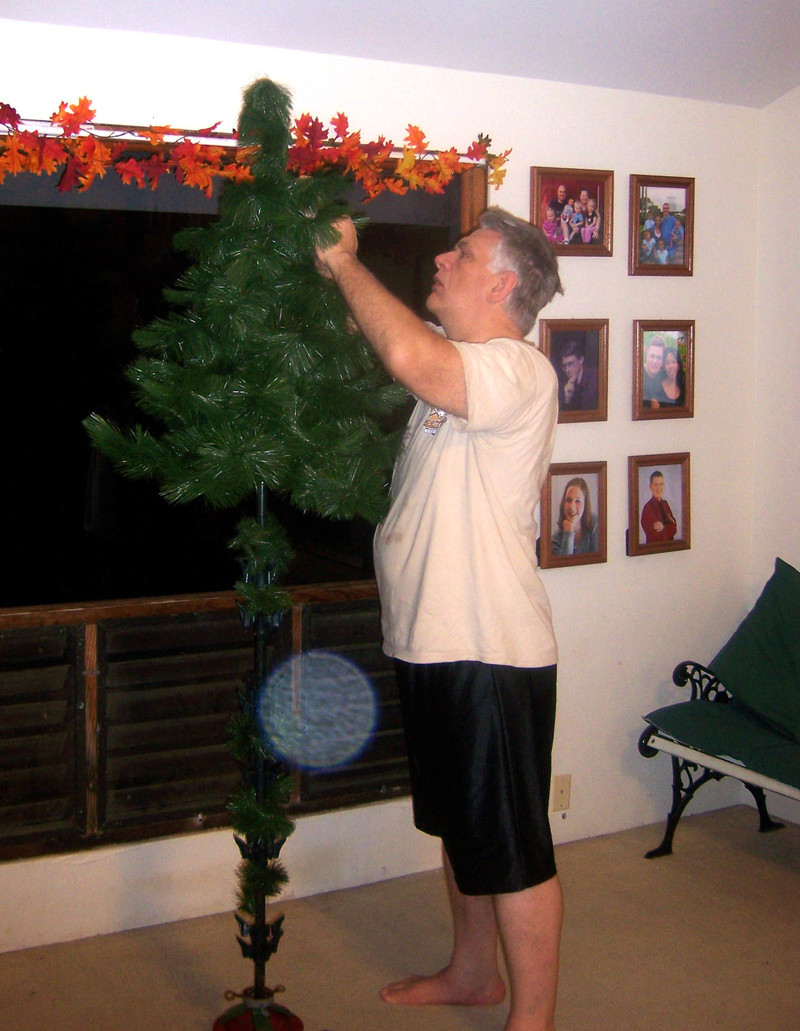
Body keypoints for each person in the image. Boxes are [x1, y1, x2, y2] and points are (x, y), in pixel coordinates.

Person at [315, 207, 564, 1031]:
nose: (440, 257)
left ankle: (533, 1019)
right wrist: (328, 270)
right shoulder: (457, 370)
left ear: (502, 284)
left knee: (514, 847)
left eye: (461, 254)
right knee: (463, 823)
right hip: (435, 643)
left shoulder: (515, 370)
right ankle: (471, 972)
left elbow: (403, 350)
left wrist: (349, 263)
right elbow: (386, 337)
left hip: (488, 650)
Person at [551, 477, 598, 556]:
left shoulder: (596, 524)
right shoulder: (555, 540)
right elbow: (565, 566)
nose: (572, 507)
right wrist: (568, 533)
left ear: (585, 504)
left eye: (577, 501)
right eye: (568, 500)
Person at [558, 337, 598, 411]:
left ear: (581, 360)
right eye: (564, 366)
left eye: (570, 364)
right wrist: (567, 399)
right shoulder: (565, 383)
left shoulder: (594, 378)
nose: (567, 370)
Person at [641, 470, 678, 543]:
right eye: (656, 484)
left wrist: (664, 528)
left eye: (661, 484)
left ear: (663, 485)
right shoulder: (647, 508)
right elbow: (655, 536)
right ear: (650, 486)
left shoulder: (665, 504)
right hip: (654, 551)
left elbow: (675, 529)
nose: (659, 488)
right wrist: (670, 526)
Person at [642, 336, 669, 408]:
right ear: (646, 356)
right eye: (652, 356)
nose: (655, 361)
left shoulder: (666, 377)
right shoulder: (638, 376)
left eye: (659, 357)